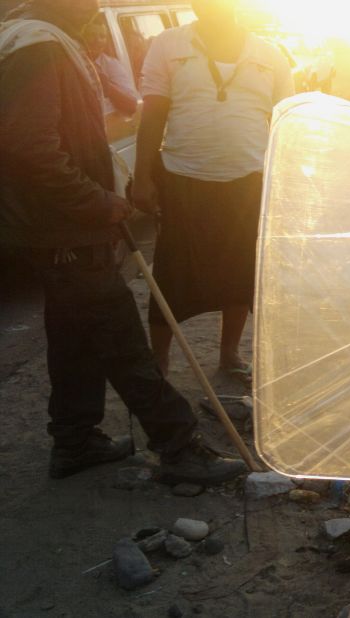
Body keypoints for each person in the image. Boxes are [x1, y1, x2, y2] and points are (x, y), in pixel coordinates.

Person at [0, 0, 248, 484]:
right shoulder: (40, 47)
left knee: (73, 340)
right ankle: (178, 446)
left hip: (55, 229)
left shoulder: (25, 36)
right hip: (68, 230)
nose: (94, 6)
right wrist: (98, 202)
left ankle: (74, 440)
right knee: (122, 340)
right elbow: (31, 148)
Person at [130, 0, 292, 382]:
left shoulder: (271, 55)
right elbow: (153, 114)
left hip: (249, 183)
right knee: (172, 273)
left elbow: (285, 124)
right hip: (183, 179)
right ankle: (160, 361)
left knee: (239, 273)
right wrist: (141, 176)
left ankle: (229, 354)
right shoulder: (168, 44)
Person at [81, 17, 137, 116]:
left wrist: (106, 86)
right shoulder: (72, 63)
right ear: (82, 37)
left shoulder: (111, 65)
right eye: (91, 35)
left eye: (102, 36)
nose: (97, 40)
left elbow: (132, 105)